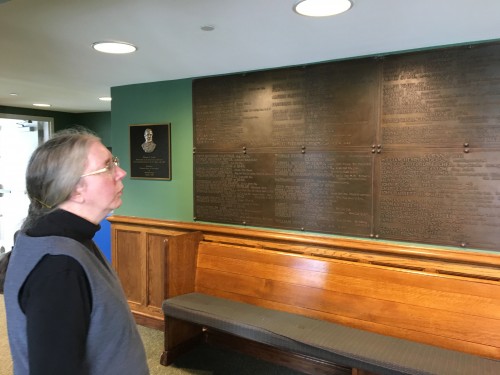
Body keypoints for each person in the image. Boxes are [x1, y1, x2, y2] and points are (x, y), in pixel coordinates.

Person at [3, 127, 149, 375]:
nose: (121, 172)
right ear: (75, 189)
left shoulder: (70, 240)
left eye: (115, 162)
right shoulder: (59, 267)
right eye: (108, 167)